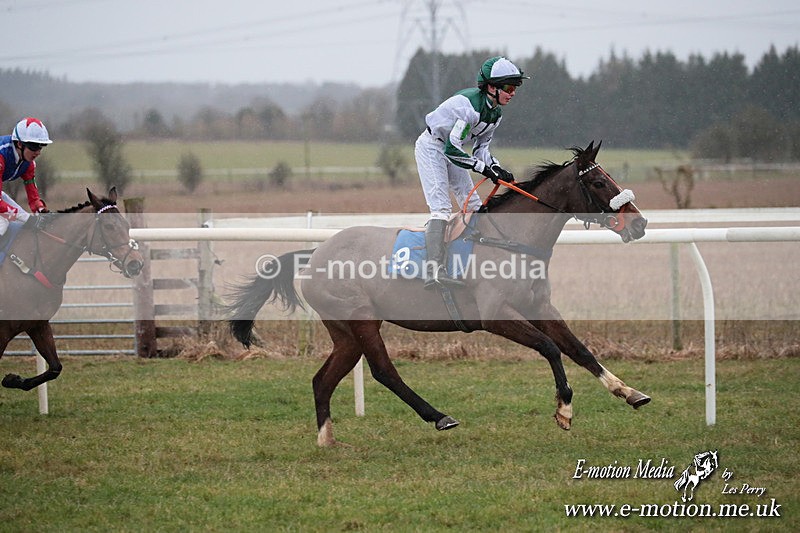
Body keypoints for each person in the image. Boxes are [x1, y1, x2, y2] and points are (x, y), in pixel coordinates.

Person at [415, 56, 528, 289]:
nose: (513, 92)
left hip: (451, 148)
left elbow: (481, 150)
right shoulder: (469, 108)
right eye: (508, 87)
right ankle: (434, 271)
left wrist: (496, 167)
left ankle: (477, 264)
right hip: (432, 147)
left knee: (475, 206)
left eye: (515, 87)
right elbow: (452, 149)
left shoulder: (495, 114)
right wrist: (482, 168)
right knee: (441, 209)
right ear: (491, 87)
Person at [0, 117, 52, 237]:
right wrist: (27, 218)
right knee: (3, 223)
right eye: (34, 147)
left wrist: (40, 209)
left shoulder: (28, 164)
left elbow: (33, 199)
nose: (38, 152)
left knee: (21, 222)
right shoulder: (1, 157)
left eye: (41, 146)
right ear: (19, 144)